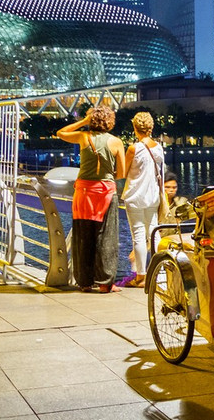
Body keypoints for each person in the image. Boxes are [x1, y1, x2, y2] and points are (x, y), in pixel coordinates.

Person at [56, 106, 126, 293]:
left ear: (92, 120)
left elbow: (61, 133)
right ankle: (105, 283)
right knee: (107, 236)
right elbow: (121, 173)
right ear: (110, 121)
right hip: (105, 192)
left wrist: (83, 122)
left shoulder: (83, 137)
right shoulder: (116, 142)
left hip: (84, 192)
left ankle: (85, 282)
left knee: (83, 236)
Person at [121, 112, 163, 287]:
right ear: (151, 127)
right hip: (153, 196)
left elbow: (122, 172)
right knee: (154, 232)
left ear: (135, 128)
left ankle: (141, 276)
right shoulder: (159, 147)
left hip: (135, 196)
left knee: (138, 235)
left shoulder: (133, 148)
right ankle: (160, 271)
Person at [157, 171, 194, 252]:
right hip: (158, 242)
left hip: (175, 243)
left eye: (174, 187)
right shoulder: (155, 204)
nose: (171, 190)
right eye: (167, 187)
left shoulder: (181, 202)